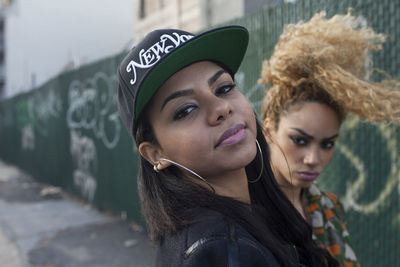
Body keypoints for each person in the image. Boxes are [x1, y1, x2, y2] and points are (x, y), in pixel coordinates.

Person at [117, 26, 339, 266]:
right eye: (186, 110)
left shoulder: (247, 215)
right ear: (155, 154)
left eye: (224, 88)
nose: (221, 108)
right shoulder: (222, 250)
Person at [259, 11, 400, 267]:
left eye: (327, 144)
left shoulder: (328, 209)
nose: (314, 159)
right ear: (268, 130)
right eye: (299, 140)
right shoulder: (246, 211)